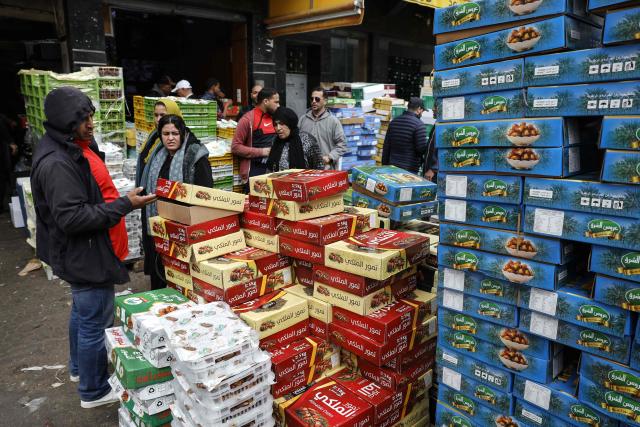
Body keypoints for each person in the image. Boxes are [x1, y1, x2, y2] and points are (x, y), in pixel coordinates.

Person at [30, 87, 156, 408]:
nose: (90, 123)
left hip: (84, 250)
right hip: (84, 253)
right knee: (94, 321)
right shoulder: (57, 163)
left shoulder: (70, 147)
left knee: (83, 314)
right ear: (65, 121)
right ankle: (94, 390)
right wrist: (124, 204)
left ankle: (78, 370)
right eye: (83, 118)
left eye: (90, 116)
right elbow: (72, 217)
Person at [140, 114, 213, 290]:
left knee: (182, 275)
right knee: (160, 271)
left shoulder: (195, 156)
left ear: (182, 133)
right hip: (158, 223)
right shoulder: (157, 155)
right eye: (166, 134)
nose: (170, 138)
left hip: (183, 225)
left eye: (175, 133)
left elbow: (205, 193)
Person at [231, 88, 279, 188]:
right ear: (265, 101)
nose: (278, 105)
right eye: (276, 102)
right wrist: (262, 152)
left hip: (275, 171)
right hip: (255, 171)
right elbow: (235, 147)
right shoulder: (247, 119)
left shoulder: (277, 117)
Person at [135, 98, 183, 187]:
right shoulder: (153, 135)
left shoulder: (177, 141)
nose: (158, 119)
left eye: (162, 115)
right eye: (156, 115)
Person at [298, 87, 347, 170]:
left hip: (326, 169)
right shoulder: (303, 119)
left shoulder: (333, 121)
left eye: (317, 99)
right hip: (305, 169)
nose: (313, 101)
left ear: (325, 101)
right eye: (311, 99)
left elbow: (342, 145)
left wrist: (330, 157)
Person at [267, 107, 324, 172]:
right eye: (275, 124)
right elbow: (270, 168)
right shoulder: (276, 141)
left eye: (282, 124)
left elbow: (319, 167)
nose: (278, 128)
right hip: (277, 181)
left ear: (290, 123)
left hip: (303, 180)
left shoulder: (307, 140)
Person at [381, 97, 428, 174]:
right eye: (422, 111)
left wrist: (384, 165)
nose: (422, 113)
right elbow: (421, 149)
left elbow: (386, 146)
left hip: (392, 167)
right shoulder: (419, 125)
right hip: (409, 169)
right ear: (419, 109)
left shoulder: (394, 122)